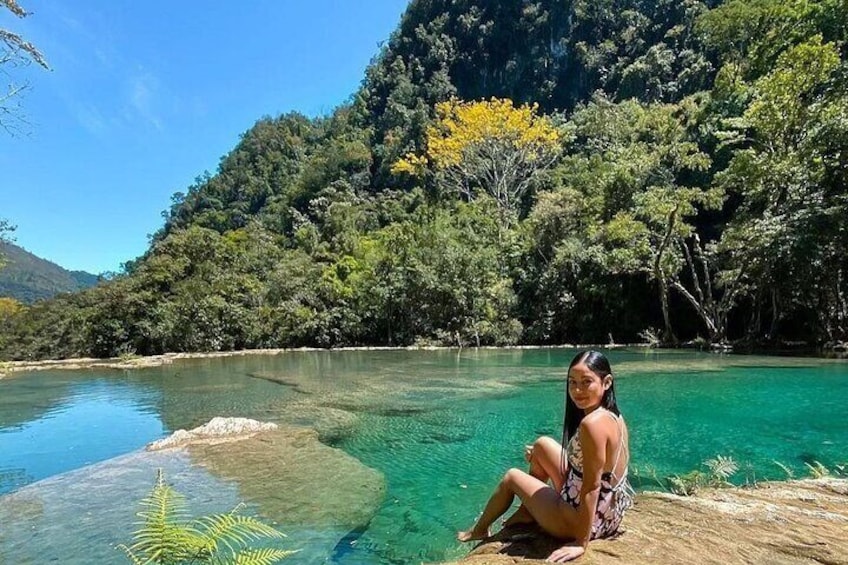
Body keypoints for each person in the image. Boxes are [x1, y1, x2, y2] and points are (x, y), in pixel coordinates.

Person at [457, 350, 633, 563]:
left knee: (512, 477)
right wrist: (541, 458)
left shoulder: (592, 424)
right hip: (608, 513)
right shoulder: (614, 415)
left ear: (606, 382)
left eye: (586, 382)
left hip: (585, 521)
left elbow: (592, 487)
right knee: (541, 445)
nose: (577, 390)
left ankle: (480, 530)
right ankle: (527, 512)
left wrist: (580, 542)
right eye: (572, 382)